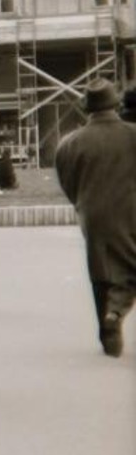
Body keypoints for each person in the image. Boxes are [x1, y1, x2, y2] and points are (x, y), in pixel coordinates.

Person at [54, 79, 136, 358]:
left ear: (87, 108)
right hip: (132, 211)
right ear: (116, 104)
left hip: (92, 215)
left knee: (101, 273)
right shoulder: (133, 134)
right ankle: (116, 311)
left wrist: (84, 204)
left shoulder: (69, 142)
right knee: (130, 268)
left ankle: (108, 336)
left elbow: (67, 182)